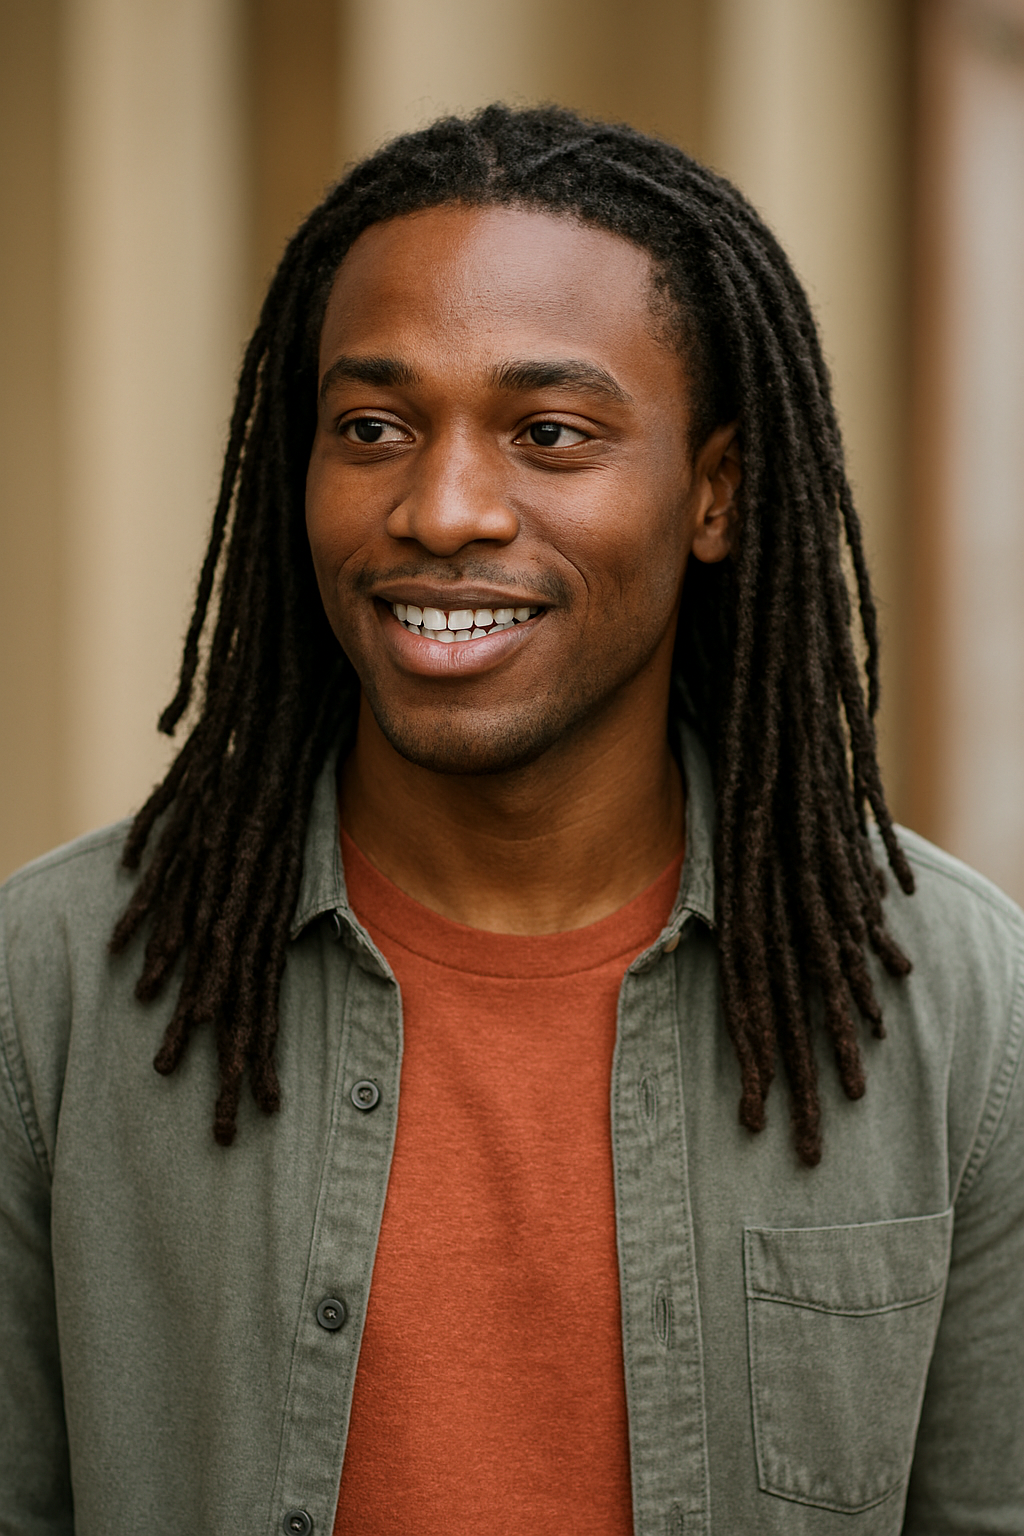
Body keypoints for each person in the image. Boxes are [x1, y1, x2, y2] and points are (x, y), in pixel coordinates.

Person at [1, 105, 1021, 1536]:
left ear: (713, 493)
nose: (446, 506)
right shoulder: (49, 994)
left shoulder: (967, 1012)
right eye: (373, 427)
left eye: (549, 433)